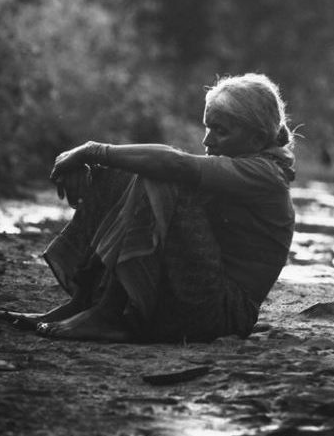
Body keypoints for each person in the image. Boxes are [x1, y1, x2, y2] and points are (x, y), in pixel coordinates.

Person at [21, 73, 296, 343]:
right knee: (127, 169)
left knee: (162, 174)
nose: (207, 141)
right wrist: (91, 168)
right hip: (191, 290)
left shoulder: (266, 174)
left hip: (222, 312)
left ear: (258, 140)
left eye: (220, 131)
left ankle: (109, 313)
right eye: (208, 127)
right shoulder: (241, 161)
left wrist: (93, 150)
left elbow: (175, 164)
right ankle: (85, 302)